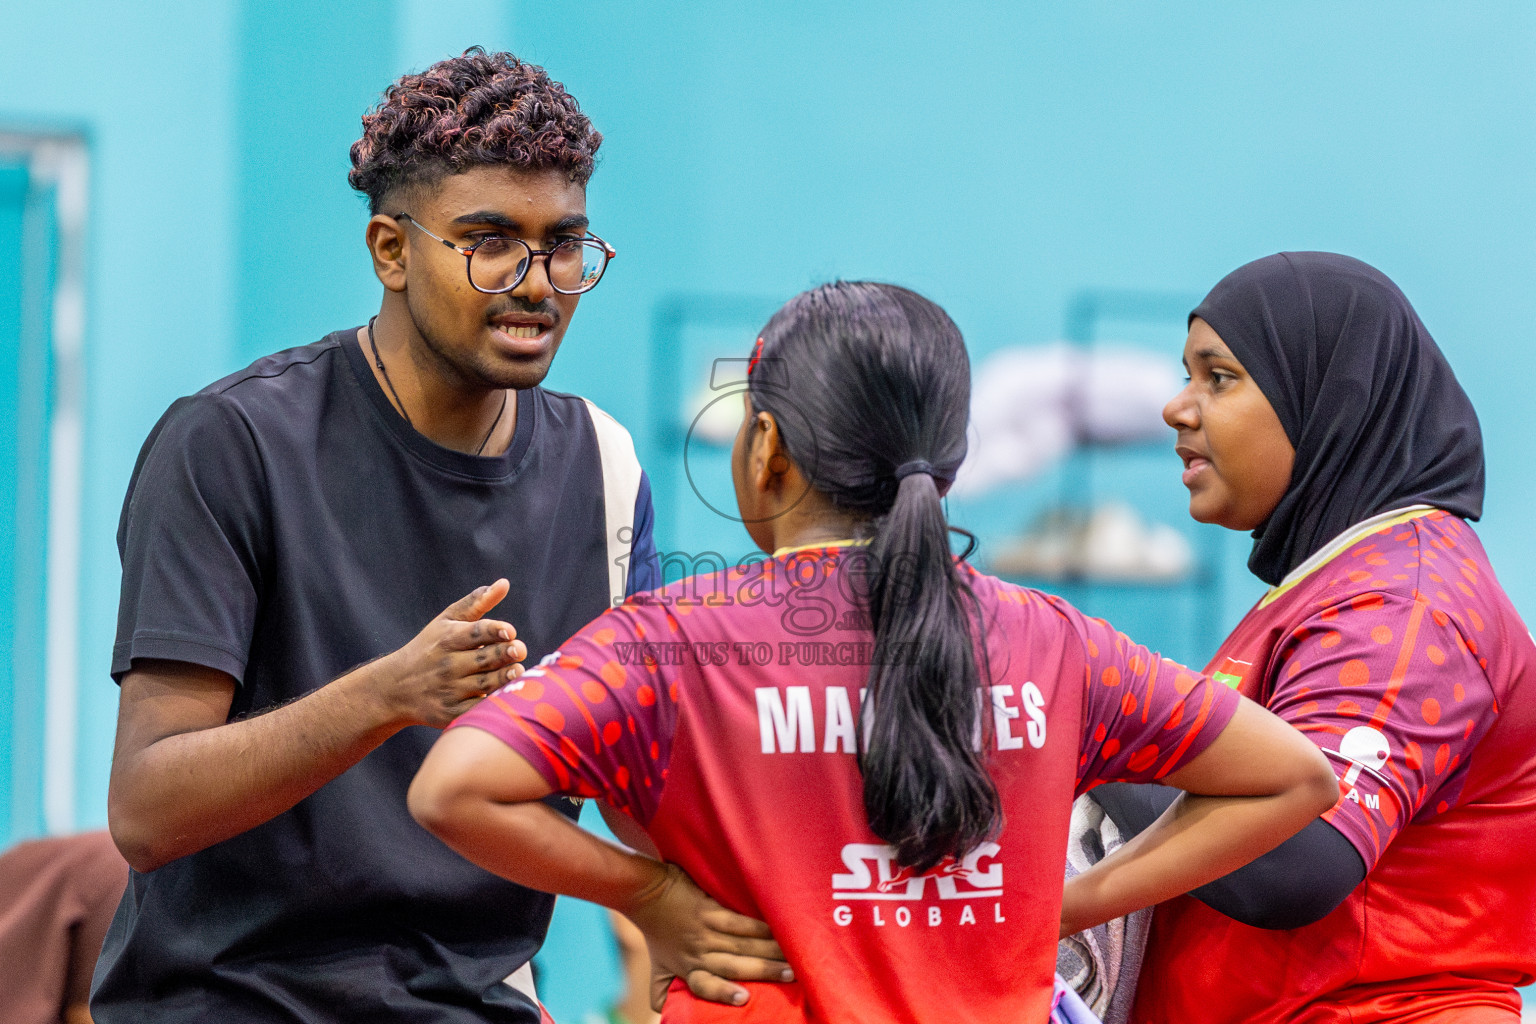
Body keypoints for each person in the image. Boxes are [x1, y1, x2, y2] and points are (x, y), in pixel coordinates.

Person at [406, 281, 1339, 1023]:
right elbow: (1295, 778)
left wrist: (650, 895)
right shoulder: (1054, 640)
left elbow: (456, 788)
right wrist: (1070, 905)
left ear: (764, 448)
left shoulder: (674, 641)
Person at [96, 49, 782, 1023]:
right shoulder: (231, 443)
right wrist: (387, 694)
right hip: (237, 1002)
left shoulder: (602, 464)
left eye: (564, 245)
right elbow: (147, 810)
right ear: (390, 250)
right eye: (489, 240)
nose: (538, 282)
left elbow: (642, 774)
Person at [1096, 252, 1536, 1023]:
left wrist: (1077, 713)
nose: (1178, 407)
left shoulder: (1405, 604)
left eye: (1219, 377)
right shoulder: (1332, 585)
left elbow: (1292, 862)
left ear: (1330, 397)